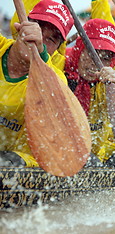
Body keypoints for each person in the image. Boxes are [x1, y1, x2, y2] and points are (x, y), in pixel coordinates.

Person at [0, 0, 73, 167]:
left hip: (17, 163)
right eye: (38, 29)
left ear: (57, 49)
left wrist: (40, 53)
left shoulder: (56, 80)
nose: (38, 39)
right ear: (20, 27)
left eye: (51, 39)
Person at [64, 18, 115, 167]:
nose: (96, 62)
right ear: (80, 48)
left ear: (113, 62)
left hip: (93, 157)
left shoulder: (112, 84)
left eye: (106, 58)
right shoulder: (59, 68)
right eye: (92, 53)